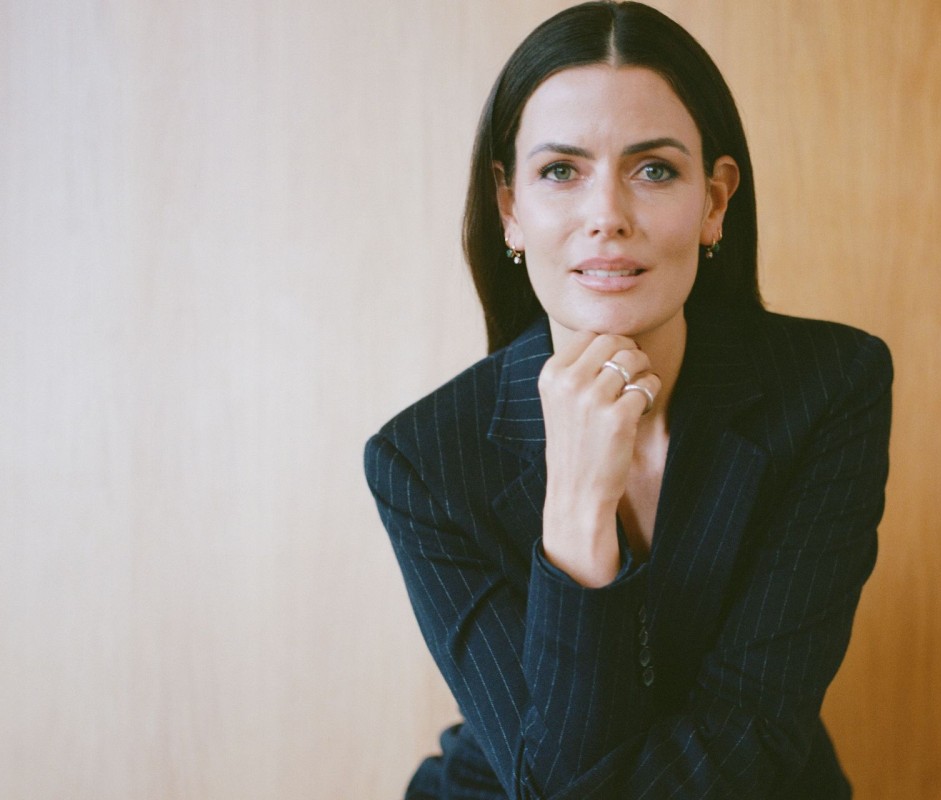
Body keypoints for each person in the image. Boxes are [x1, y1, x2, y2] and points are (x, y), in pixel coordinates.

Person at [364, 2, 892, 797]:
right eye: (560, 171)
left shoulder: (830, 388)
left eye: (653, 170)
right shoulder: (424, 459)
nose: (606, 217)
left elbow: (750, 728)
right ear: (511, 208)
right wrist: (577, 505)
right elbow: (539, 776)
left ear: (715, 200)